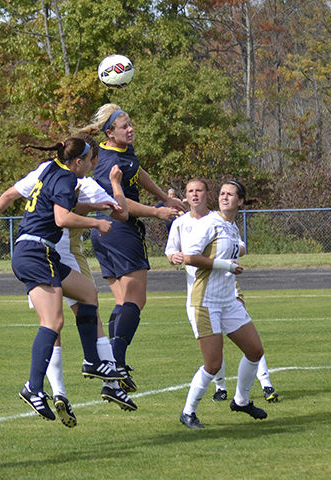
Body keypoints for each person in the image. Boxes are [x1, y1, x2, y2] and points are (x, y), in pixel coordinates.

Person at [0, 135, 137, 423]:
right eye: (91, 160)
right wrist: (96, 222)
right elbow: (62, 219)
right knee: (53, 323)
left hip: (37, 251)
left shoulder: (47, 168)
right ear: (78, 162)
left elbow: (13, 194)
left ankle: (92, 361)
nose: (93, 165)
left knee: (89, 294)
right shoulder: (68, 179)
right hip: (36, 252)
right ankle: (33, 388)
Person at [76, 104, 185, 393]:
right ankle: (117, 364)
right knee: (137, 301)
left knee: (124, 303)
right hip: (119, 231)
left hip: (108, 234)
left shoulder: (124, 153)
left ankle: (112, 369)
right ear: (109, 133)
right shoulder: (106, 160)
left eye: (130, 124)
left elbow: (138, 172)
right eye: (124, 126)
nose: (130, 129)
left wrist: (164, 197)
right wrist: (156, 211)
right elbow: (118, 203)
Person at [166, 179, 268, 429]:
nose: (224, 197)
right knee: (213, 364)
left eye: (230, 194)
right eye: (222, 193)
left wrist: (229, 267)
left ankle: (241, 401)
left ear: (240, 201)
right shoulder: (210, 223)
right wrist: (226, 266)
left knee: (255, 351)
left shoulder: (231, 226)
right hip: (205, 301)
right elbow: (189, 257)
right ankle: (188, 412)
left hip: (228, 300)